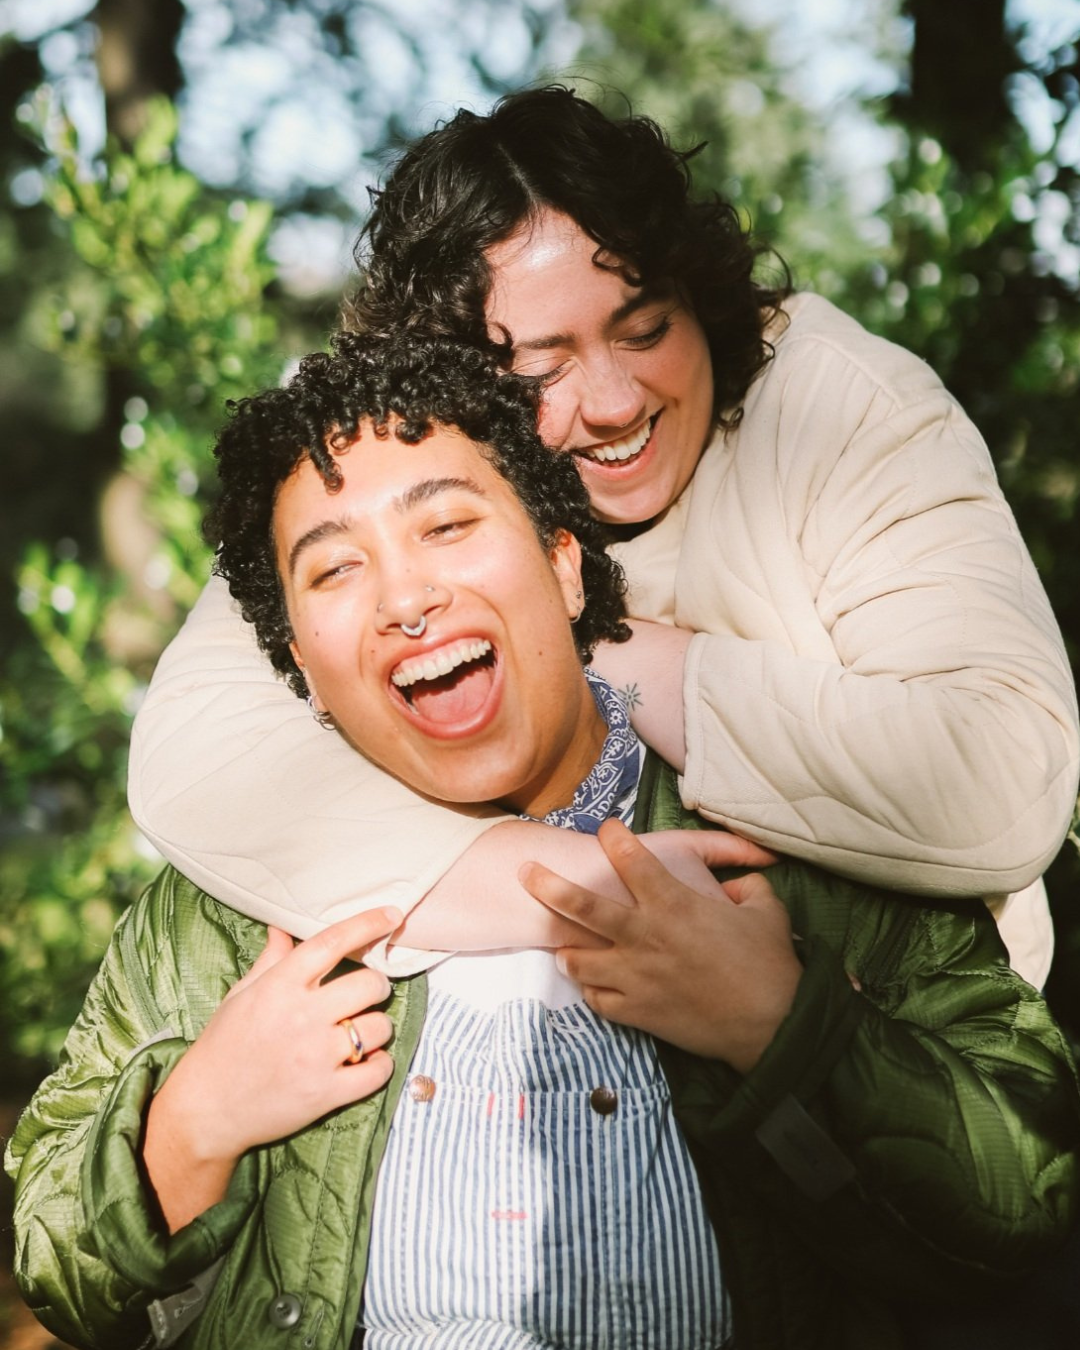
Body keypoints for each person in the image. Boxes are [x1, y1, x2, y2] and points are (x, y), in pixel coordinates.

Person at [8, 335, 1080, 1350]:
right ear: (301, 662)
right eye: (336, 571)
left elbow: (1027, 1202)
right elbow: (64, 1269)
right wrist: (193, 1121)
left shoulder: (790, 842)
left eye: (447, 526)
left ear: (567, 569)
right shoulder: (237, 895)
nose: (408, 599)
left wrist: (782, 1024)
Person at [127, 86, 1079, 988]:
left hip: (895, 1059)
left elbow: (1004, 785)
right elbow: (197, 757)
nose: (618, 401)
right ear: (451, 393)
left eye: (645, 326)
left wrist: (598, 638)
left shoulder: (843, 409)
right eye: (543, 368)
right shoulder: (392, 480)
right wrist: (569, 890)